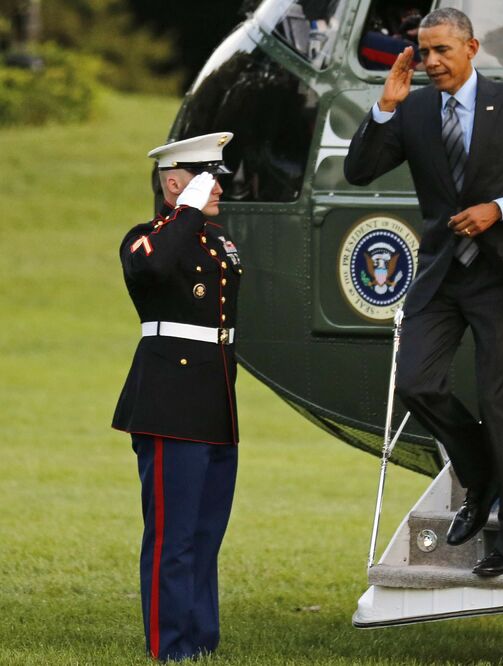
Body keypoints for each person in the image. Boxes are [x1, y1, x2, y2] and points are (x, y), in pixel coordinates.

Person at [344, 8, 503, 576]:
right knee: (417, 381)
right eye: (424, 53)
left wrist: (498, 209)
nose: (432, 62)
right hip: (442, 276)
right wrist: (385, 107)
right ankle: (480, 475)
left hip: (500, 278)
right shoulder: (416, 108)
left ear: (472, 48)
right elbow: (358, 171)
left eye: (443, 51)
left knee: (500, 409)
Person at [112, 132, 242, 660]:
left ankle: (201, 640)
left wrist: (194, 216)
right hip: (169, 400)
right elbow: (151, 268)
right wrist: (183, 214)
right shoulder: (146, 237)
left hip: (215, 399)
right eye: (207, 179)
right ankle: (169, 646)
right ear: (174, 183)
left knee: (207, 532)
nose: (218, 190)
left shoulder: (217, 240)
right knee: (173, 535)